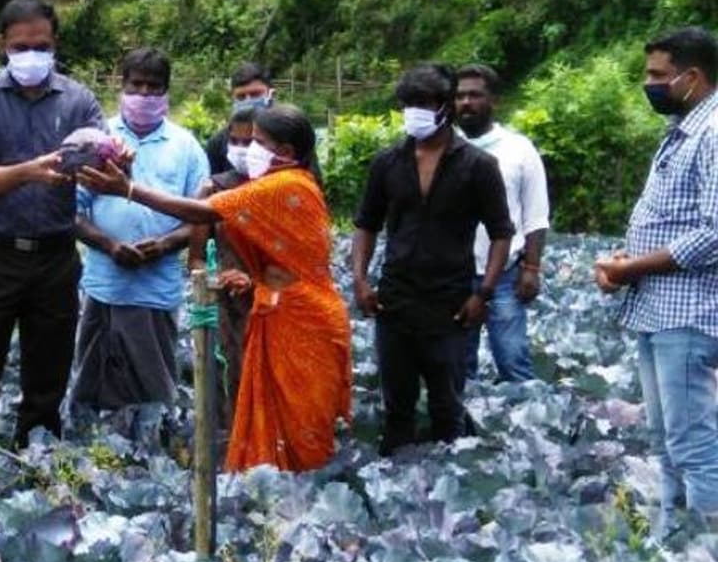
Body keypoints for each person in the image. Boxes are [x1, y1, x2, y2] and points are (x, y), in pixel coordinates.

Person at [78, 105, 352, 472]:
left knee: (300, 427)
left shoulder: (285, 185)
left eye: (258, 142)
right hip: (283, 308)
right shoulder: (291, 184)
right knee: (277, 421)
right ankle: (274, 493)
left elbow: (201, 212)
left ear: (285, 152)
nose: (249, 150)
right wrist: (251, 281)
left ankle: (297, 493)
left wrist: (126, 189)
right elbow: (286, 260)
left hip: (302, 318)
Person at [0, 0, 114, 447]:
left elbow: (102, 162)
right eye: (20, 47)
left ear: (55, 43)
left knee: (49, 371)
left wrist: (115, 161)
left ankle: (38, 456)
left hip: (55, 257)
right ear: (2, 44)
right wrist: (29, 171)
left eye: (40, 46)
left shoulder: (79, 100)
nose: (31, 55)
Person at [351, 64, 514, 456]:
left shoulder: (478, 165)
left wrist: (484, 293)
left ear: (445, 107)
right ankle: (396, 482)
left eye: (422, 104)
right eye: (408, 104)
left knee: (447, 407)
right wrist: (360, 279)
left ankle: (450, 481)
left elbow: (501, 233)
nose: (414, 113)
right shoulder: (388, 163)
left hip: (450, 303)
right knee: (397, 408)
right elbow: (366, 224)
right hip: (395, 299)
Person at [596, 27, 718, 531]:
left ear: (692, 77)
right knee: (666, 439)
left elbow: (714, 232)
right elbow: (674, 220)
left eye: (657, 75)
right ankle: (672, 543)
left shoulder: (713, 133)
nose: (649, 84)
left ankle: (706, 552)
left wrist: (634, 267)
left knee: (693, 442)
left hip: (689, 312)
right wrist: (625, 263)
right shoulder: (682, 129)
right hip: (657, 309)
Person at [71, 48, 209, 444]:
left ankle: (151, 455)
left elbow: (202, 216)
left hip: (155, 289)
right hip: (104, 286)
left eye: (153, 87)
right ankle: (95, 457)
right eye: (136, 85)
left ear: (166, 92)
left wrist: (165, 244)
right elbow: (71, 212)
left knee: (153, 390)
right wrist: (109, 245)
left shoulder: (185, 147)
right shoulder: (98, 141)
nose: (144, 95)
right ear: (122, 86)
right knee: (92, 388)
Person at [455, 63, 550, 382]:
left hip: (506, 275)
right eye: (460, 96)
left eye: (475, 95)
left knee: (512, 360)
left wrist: (532, 268)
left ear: (494, 100)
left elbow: (536, 214)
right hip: (455, 273)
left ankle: (526, 414)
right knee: (458, 366)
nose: (466, 102)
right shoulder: (445, 149)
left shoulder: (519, 149)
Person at [187, 107, 256, 443]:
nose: (241, 149)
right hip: (229, 306)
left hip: (275, 305)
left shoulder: (285, 189)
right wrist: (217, 279)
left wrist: (257, 281)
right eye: (234, 141)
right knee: (231, 380)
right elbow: (196, 260)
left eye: (250, 142)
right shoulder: (213, 189)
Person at [203, 62, 276, 176]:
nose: (248, 101)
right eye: (241, 96)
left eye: (255, 94)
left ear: (271, 94)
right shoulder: (218, 143)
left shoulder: (290, 136)